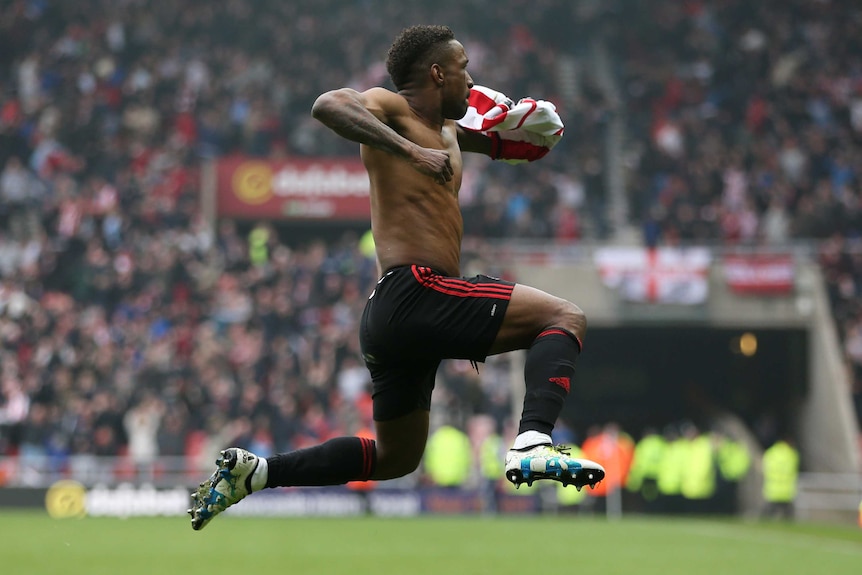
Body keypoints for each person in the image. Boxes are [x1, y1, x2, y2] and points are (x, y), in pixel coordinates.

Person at [189, 24, 604, 530]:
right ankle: (533, 441)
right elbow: (327, 105)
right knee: (565, 316)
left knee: (397, 459)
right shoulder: (390, 107)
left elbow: (518, 146)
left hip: (398, 315)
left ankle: (258, 474)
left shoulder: (451, 132)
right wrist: (408, 152)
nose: (471, 80)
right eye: (463, 68)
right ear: (436, 72)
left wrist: (536, 128)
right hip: (416, 289)